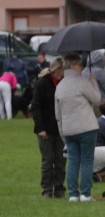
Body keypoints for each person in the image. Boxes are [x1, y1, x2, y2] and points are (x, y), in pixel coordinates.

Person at [55, 52, 101, 202]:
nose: (82, 67)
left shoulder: (60, 86)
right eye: (80, 64)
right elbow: (97, 100)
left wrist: (63, 135)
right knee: (87, 160)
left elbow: (58, 115)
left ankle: (73, 194)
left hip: (68, 129)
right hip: (86, 127)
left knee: (73, 161)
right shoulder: (82, 82)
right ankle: (86, 194)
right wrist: (93, 82)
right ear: (73, 65)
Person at [31, 56, 66, 198]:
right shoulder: (42, 83)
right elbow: (36, 106)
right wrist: (40, 128)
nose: (62, 73)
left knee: (60, 160)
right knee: (47, 160)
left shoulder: (65, 83)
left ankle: (59, 188)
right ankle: (46, 189)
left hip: (62, 128)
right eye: (60, 69)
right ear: (55, 69)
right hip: (45, 128)